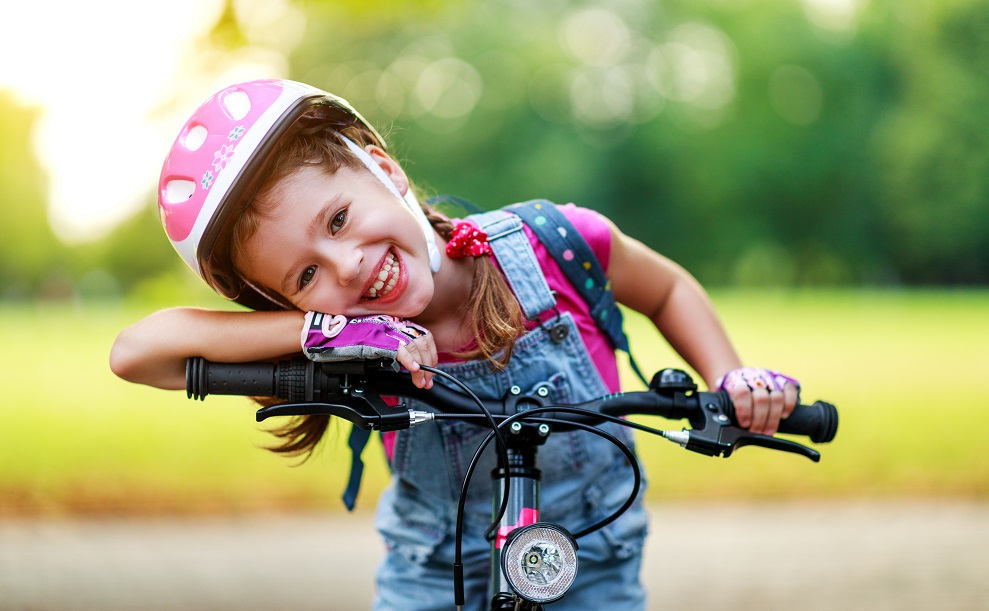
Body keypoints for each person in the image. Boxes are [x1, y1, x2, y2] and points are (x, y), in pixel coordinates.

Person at [110, 79, 800, 610]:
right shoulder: (338, 340)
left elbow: (666, 289)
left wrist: (729, 378)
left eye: (339, 219)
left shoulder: (553, 246)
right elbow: (137, 353)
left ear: (385, 171)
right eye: (306, 275)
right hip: (433, 580)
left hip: (591, 561)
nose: (346, 267)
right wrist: (325, 330)